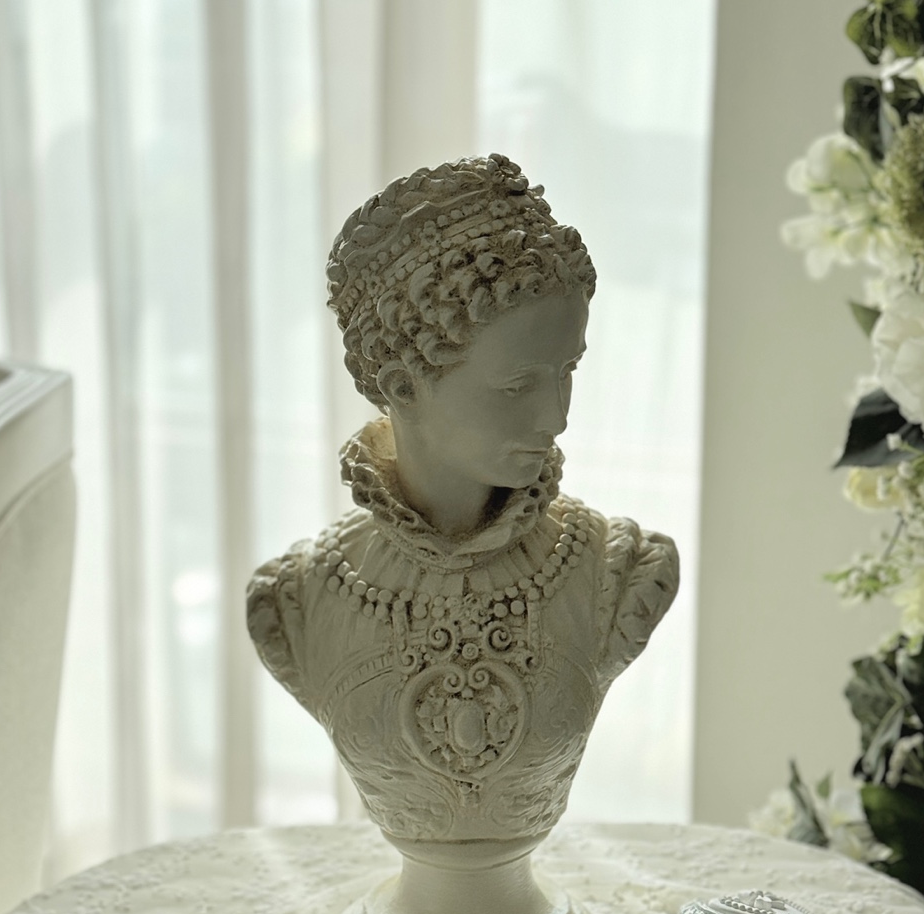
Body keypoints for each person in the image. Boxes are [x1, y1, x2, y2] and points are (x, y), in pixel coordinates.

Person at [247, 152, 679, 846]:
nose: (557, 418)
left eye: (567, 370)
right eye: (517, 385)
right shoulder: (298, 599)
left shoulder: (615, 569)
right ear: (403, 386)